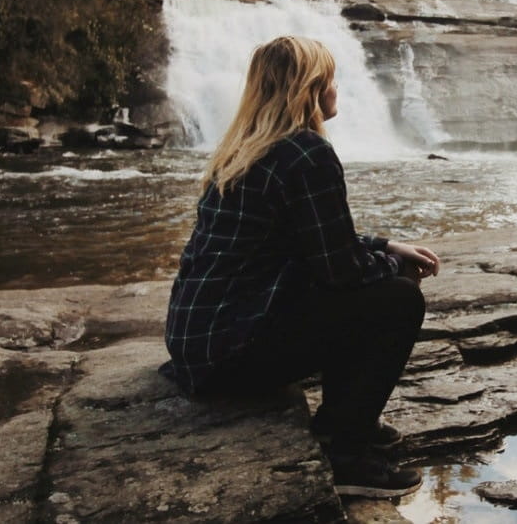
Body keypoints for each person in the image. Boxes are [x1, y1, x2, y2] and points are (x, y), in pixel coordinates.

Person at [163, 36, 440, 499]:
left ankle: (346, 421)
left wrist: (386, 245)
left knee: (381, 279)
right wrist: (393, 266)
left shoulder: (242, 149)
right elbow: (342, 271)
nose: (337, 90)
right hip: (230, 357)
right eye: (331, 81)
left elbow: (306, 240)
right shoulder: (306, 153)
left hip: (197, 343)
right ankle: (346, 452)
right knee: (398, 298)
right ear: (312, 89)